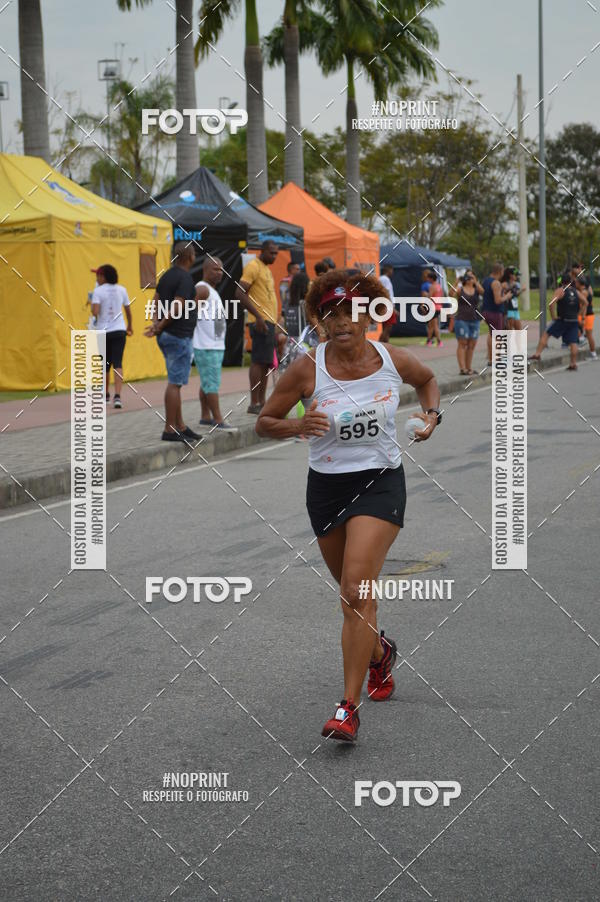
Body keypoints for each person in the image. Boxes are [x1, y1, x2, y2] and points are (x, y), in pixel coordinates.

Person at [255, 269, 441, 743]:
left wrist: (431, 416)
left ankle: (347, 707)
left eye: (351, 312)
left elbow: (429, 381)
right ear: (319, 321)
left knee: (355, 592)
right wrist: (298, 426)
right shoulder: (306, 369)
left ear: (369, 315)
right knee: (354, 595)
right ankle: (379, 653)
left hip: (380, 484)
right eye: (330, 314)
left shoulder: (391, 359)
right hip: (327, 490)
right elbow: (264, 421)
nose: (341, 323)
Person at [144, 242, 201, 442]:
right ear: (189, 257)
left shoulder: (167, 275)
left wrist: (155, 323)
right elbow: (177, 305)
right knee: (175, 384)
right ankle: (169, 429)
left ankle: (180, 425)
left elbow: (156, 299)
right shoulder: (185, 278)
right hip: (178, 336)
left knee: (175, 381)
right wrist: (160, 325)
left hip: (168, 335)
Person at [236, 240, 279, 414]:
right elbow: (239, 292)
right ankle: (254, 403)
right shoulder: (253, 266)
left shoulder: (266, 268)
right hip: (260, 322)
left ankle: (262, 402)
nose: (274, 256)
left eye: (276, 253)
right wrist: (259, 318)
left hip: (269, 322)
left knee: (266, 363)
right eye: (271, 253)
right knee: (258, 362)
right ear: (263, 251)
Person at [192, 256, 235, 430]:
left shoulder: (211, 290)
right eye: (215, 270)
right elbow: (188, 312)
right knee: (212, 384)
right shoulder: (202, 289)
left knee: (206, 383)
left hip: (214, 344)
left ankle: (205, 416)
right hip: (207, 345)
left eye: (221, 270)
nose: (219, 273)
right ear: (205, 270)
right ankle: (218, 419)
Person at [90, 264, 133, 408]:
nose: (97, 278)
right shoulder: (122, 289)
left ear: (103, 277)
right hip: (119, 330)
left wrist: (92, 304)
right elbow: (128, 310)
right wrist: (130, 326)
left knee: (105, 365)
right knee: (118, 363)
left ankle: (106, 394)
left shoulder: (98, 291)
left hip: (104, 330)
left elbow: (95, 312)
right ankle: (118, 396)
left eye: (98, 275)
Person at [529, 272, 588, 371]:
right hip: (573, 320)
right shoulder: (576, 291)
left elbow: (551, 304)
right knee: (573, 342)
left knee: (546, 334)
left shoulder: (560, 291)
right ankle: (573, 363)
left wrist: (553, 317)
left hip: (562, 319)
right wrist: (579, 314)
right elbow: (585, 302)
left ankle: (537, 354)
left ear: (561, 281)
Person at [481, 263, 513, 365]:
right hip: (495, 312)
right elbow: (498, 300)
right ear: (500, 271)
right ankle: (497, 359)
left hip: (485, 311)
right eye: (503, 271)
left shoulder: (485, 281)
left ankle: (491, 359)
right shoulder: (496, 283)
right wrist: (507, 296)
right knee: (497, 336)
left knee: (491, 335)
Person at [453, 272, 481, 375]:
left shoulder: (476, 289)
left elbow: (484, 293)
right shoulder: (461, 289)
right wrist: (457, 282)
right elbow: (451, 294)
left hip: (474, 320)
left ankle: (469, 367)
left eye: (471, 276)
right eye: (467, 276)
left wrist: (475, 281)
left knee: (472, 344)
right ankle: (462, 368)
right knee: (462, 343)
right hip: (462, 320)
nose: (469, 278)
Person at [576, 273, 597, 359]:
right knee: (588, 335)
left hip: (586, 315)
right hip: (589, 315)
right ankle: (592, 353)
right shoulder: (587, 291)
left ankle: (582, 340)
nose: (575, 284)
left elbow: (584, 306)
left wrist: (582, 317)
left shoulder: (584, 292)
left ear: (581, 284)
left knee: (588, 335)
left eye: (577, 282)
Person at [378, 264, 397, 343]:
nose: (392, 272)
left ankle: (386, 345)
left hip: (384, 305)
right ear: (388, 270)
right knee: (388, 328)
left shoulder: (382, 279)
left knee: (386, 328)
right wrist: (391, 307)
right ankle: (379, 344)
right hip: (387, 306)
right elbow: (387, 292)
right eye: (391, 270)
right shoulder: (385, 279)